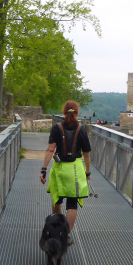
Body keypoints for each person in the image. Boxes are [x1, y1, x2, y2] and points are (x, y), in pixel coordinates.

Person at [40, 101, 91, 245]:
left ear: (64, 112)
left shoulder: (57, 128)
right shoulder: (81, 130)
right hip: (75, 170)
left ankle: (56, 231)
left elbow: (50, 150)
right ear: (77, 112)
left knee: (57, 199)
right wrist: (87, 172)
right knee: (72, 204)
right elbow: (86, 154)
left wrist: (43, 169)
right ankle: (66, 235)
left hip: (60, 169)